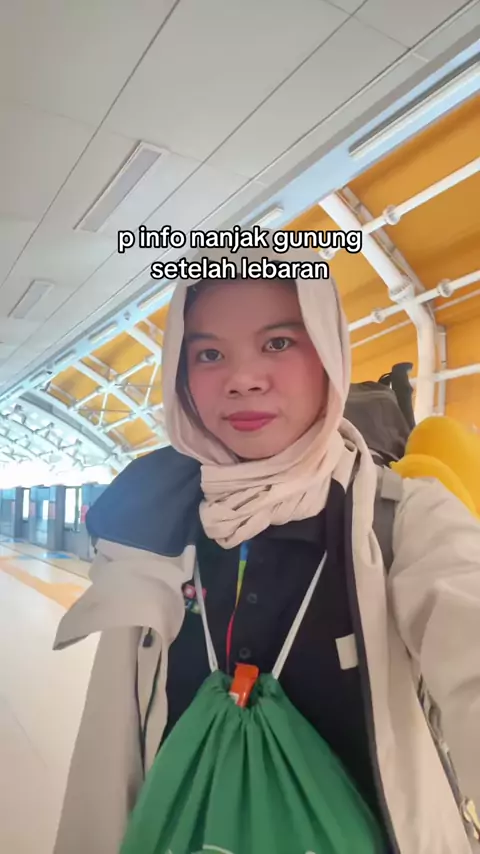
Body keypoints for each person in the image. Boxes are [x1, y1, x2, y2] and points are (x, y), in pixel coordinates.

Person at [52, 240, 480, 854]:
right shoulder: (151, 528)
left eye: (278, 343)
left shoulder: (405, 521)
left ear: (329, 356)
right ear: (180, 376)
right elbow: (107, 754)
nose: (243, 379)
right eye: (209, 354)